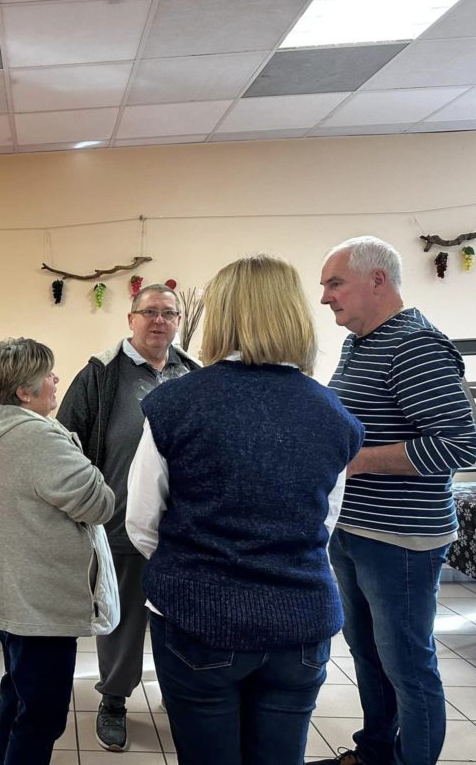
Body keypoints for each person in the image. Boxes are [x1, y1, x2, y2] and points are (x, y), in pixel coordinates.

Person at [126, 254, 365, 765]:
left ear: (223, 315)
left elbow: (143, 524)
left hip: (199, 618)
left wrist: (201, 563)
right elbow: (323, 522)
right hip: (298, 621)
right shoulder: (331, 412)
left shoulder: (176, 403)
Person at [315, 237, 476, 765]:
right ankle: (374, 752)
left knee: (408, 665)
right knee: (367, 655)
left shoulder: (415, 346)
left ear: (377, 281)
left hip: (400, 540)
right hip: (355, 530)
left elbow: (459, 444)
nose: (325, 298)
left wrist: (357, 460)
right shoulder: (361, 342)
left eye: (334, 283)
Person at [0, 337, 118, 765]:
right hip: (40, 604)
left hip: (9, 592)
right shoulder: (38, 439)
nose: (56, 381)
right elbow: (101, 503)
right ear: (23, 392)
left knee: (17, 697)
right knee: (42, 718)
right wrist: (68, 443)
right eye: (48, 374)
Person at [56, 283, 198, 751]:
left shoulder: (194, 373)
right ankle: (114, 699)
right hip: (118, 523)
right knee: (120, 620)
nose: (160, 320)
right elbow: (64, 441)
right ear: (130, 319)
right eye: (150, 312)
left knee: (181, 618)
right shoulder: (101, 375)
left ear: (178, 321)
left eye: (169, 313)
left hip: (182, 528)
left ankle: (182, 697)